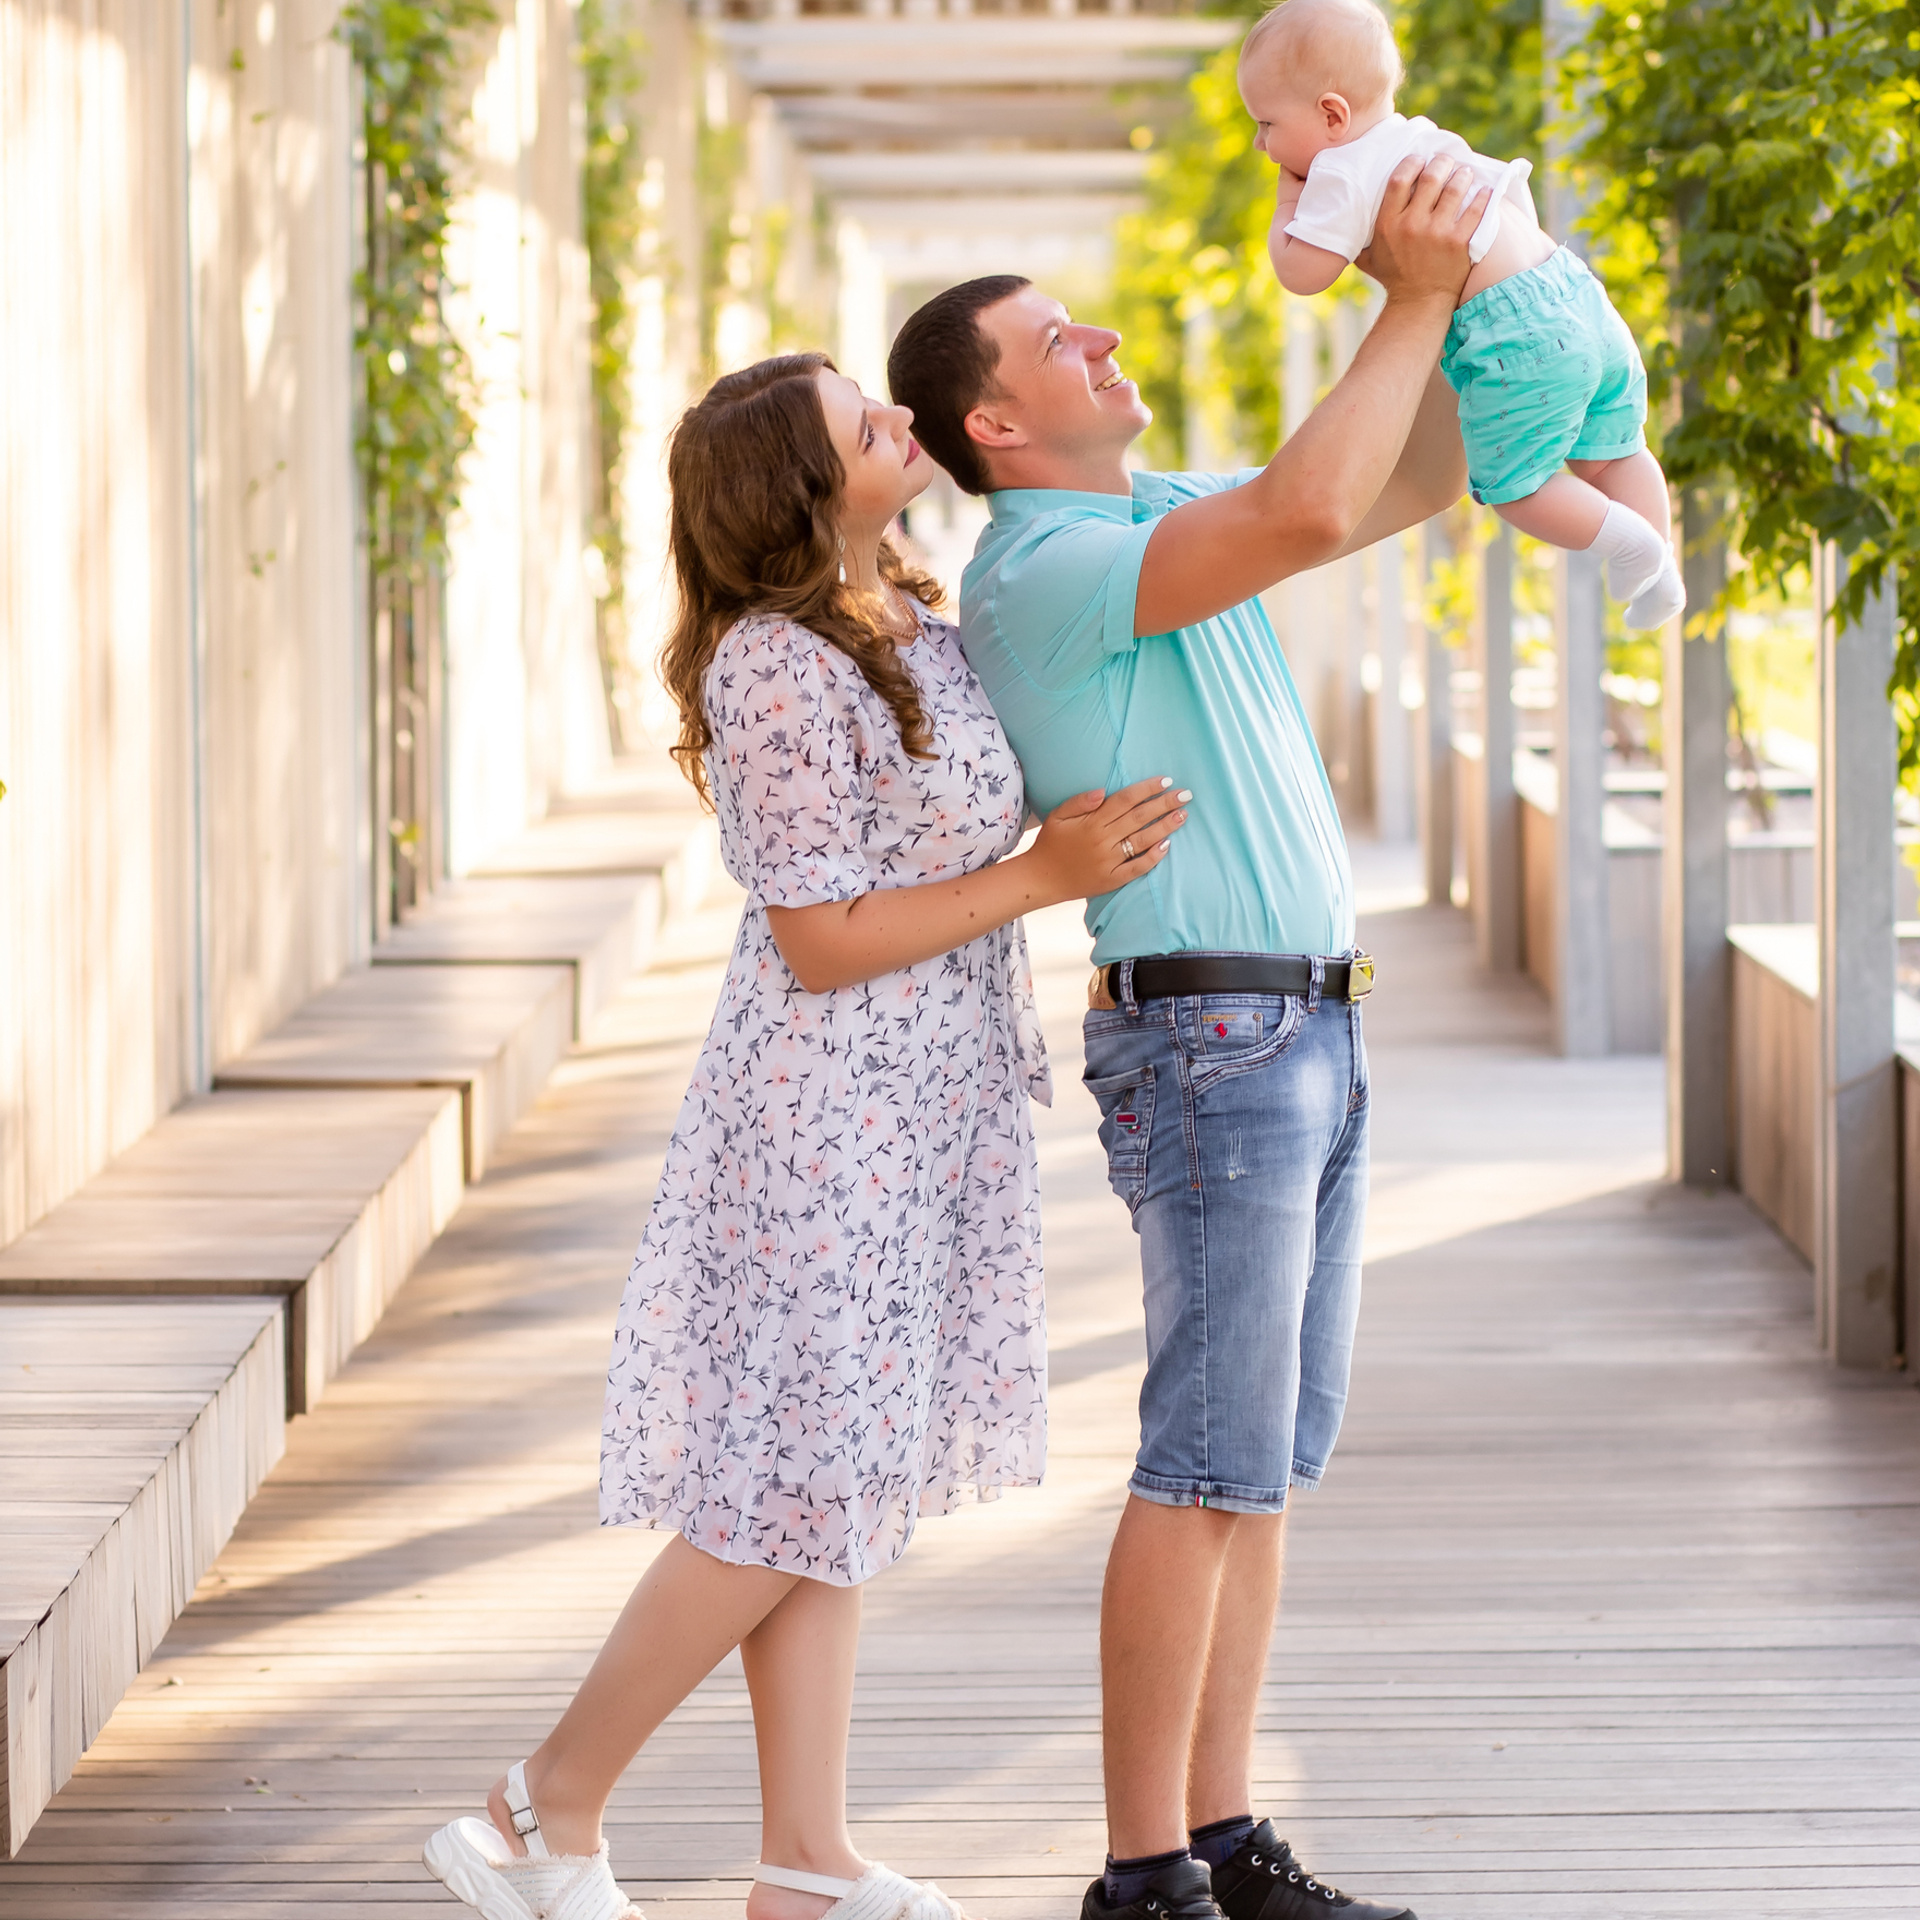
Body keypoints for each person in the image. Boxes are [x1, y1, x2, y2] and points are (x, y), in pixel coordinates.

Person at [421, 352, 1190, 1920]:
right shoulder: (775, 665)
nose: (900, 425)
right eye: (866, 423)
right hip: (825, 1120)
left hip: (927, 1114)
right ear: (801, 486)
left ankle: (806, 1862)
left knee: (833, 1485)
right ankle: (538, 1805)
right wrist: (1045, 879)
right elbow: (821, 935)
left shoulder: (911, 610)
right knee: (788, 1486)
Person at [886, 152, 1487, 1920]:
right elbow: (1311, 514)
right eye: (1059, 340)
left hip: (1297, 1025)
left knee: (1265, 1466)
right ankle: (1144, 1874)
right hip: (1218, 1037)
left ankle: (1222, 1842)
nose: (1105, 339)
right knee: (1202, 1461)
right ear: (994, 425)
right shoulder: (1051, 568)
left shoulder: (1157, 525)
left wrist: (1482, 271)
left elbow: (1411, 475)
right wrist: (1413, 295)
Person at [1244, 0, 1683, 629]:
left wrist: (1289, 203)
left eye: (1266, 123)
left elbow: (1302, 274)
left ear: (1331, 115)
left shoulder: (1338, 171)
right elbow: (1514, 191)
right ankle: (1661, 568)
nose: (1262, 142)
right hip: (1570, 286)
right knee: (1615, 451)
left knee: (1517, 486)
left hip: (1515, 332)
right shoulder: (1424, 136)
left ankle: (1630, 545)